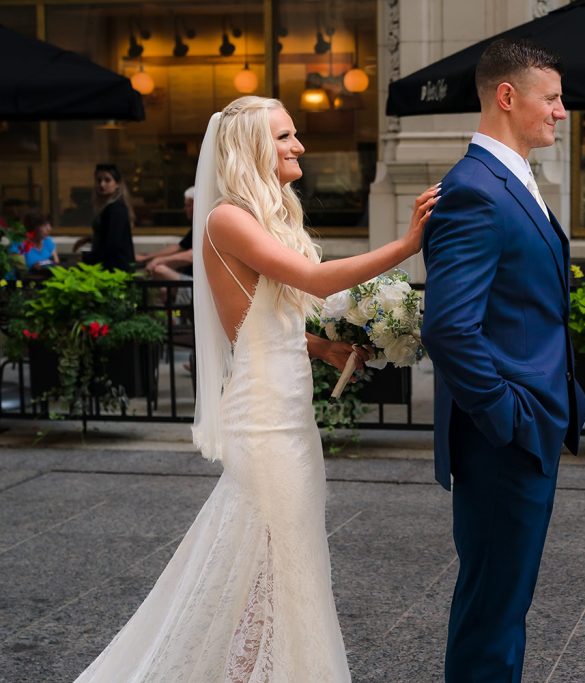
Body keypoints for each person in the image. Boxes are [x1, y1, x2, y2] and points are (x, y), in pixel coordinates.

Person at [74, 96, 437, 682]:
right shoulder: (227, 218)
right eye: (286, 135)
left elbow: (270, 322)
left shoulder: (264, 217)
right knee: (269, 569)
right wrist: (405, 246)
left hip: (289, 417)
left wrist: (322, 347)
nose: (299, 145)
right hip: (264, 423)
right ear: (251, 147)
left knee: (277, 571)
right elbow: (316, 280)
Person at [420, 38, 585, 682]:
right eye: (553, 98)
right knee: (493, 606)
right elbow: (449, 327)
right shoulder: (476, 189)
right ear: (508, 97)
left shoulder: (510, 178)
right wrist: (509, 416)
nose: (562, 111)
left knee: (506, 600)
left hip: (527, 425)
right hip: (504, 436)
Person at [72, 163, 136, 271]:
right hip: (109, 267)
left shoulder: (116, 209)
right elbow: (107, 234)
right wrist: (88, 239)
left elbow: (112, 245)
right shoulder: (108, 207)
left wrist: (86, 258)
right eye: (98, 180)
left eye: (107, 180)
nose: (102, 184)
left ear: (117, 184)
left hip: (115, 270)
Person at [137, 186, 196, 303]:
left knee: (159, 270)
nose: (185, 209)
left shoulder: (206, 223)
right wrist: (147, 258)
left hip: (198, 285)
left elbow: (193, 255)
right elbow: (178, 247)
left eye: (188, 205)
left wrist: (160, 261)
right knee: (163, 287)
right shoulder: (195, 226)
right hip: (188, 279)